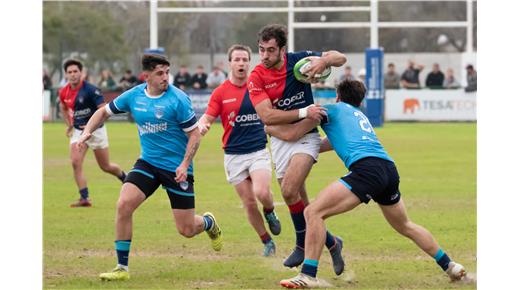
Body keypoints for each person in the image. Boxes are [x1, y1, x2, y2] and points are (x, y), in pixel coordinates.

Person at [264, 79, 468, 288]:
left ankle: (308, 275)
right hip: (388, 169)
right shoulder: (359, 117)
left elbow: (292, 133)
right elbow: (329, 143)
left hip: (367, 170)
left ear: (338, 96)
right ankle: (450, 265)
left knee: (313, 212)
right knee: (405, 225)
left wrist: (269, 128)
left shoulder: (330, 110)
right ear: (359, 101)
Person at [78, 54, 223, 281]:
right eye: (160, 73)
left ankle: (207, 222)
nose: (166, 77)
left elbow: (195, 134)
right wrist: (88, 131)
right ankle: (121, 268)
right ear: (146, 76)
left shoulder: (178, 99)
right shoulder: (134, 96)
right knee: (124, 205)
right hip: (148, 163)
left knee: (186, 229)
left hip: (176, 168)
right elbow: (103, 112)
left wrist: (185, 164)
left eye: (167, 72)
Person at [247, 23, 347, 275]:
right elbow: (267, 116)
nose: (265, 55)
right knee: (299, 200)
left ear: (282, 50)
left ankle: (301, 245)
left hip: (306, 134)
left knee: (289, 188)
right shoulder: (257, 76)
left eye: (271, 50)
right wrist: (305, 111)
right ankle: (333, 244)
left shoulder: (300, 61)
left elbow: (340, 57)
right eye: (262, 50)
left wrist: (324, 62)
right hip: (281, 138)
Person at [198, 44, 281, 257]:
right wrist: (202, 126)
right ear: (230, 63)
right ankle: (267, 241)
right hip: (233, 155)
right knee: (249, 203)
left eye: (245, 59)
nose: (241, 63)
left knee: (262, 192)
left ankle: (270, 211)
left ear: (249, 62)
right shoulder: (220, 92)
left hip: (257, 151)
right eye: (237, 60)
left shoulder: (259, 87)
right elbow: (207, 118)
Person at [58, 59, 126, 207]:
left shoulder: (91, 90)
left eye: (75, 71)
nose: (73, 74)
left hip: (97, 132)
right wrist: (69, 125)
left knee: (105, 166)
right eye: (69, 72)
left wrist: (91, 128)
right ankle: (84, 198)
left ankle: (124, 177)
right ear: (66, 75)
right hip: (78, 132)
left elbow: (104, 111)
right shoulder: (64, 91)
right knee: (75, 162)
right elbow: (63, 107)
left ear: (81, 73)